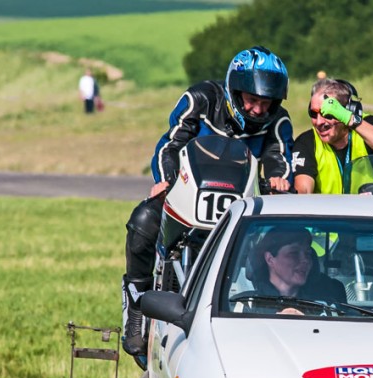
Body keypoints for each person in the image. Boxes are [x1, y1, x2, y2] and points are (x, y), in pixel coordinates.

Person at [122, 46, 294, 358]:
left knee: (284, 241)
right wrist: (166, 179)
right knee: (144, 218)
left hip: (240, 208)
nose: (258, 109)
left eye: (265, 103)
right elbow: (171, 143)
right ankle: (135, 303)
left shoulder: (278, 122)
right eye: (252, 100)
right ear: (234, 91)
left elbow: (278, 156)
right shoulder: (199, 100)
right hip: (188, 196)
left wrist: (279, 180)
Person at [293, 78, 373, 194]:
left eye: (328, 114)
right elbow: (302, 192)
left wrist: (349, 119)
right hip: (330, 212)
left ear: (348, 110)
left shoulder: (369, 125)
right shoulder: (306, 141)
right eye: (313, 114)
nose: (319, 122)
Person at [248, 227, 346, 310]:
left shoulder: (327, 304)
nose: (305, 260)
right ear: (270, 259)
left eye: (308, 254)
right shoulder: (247, 305)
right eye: (294, 253)